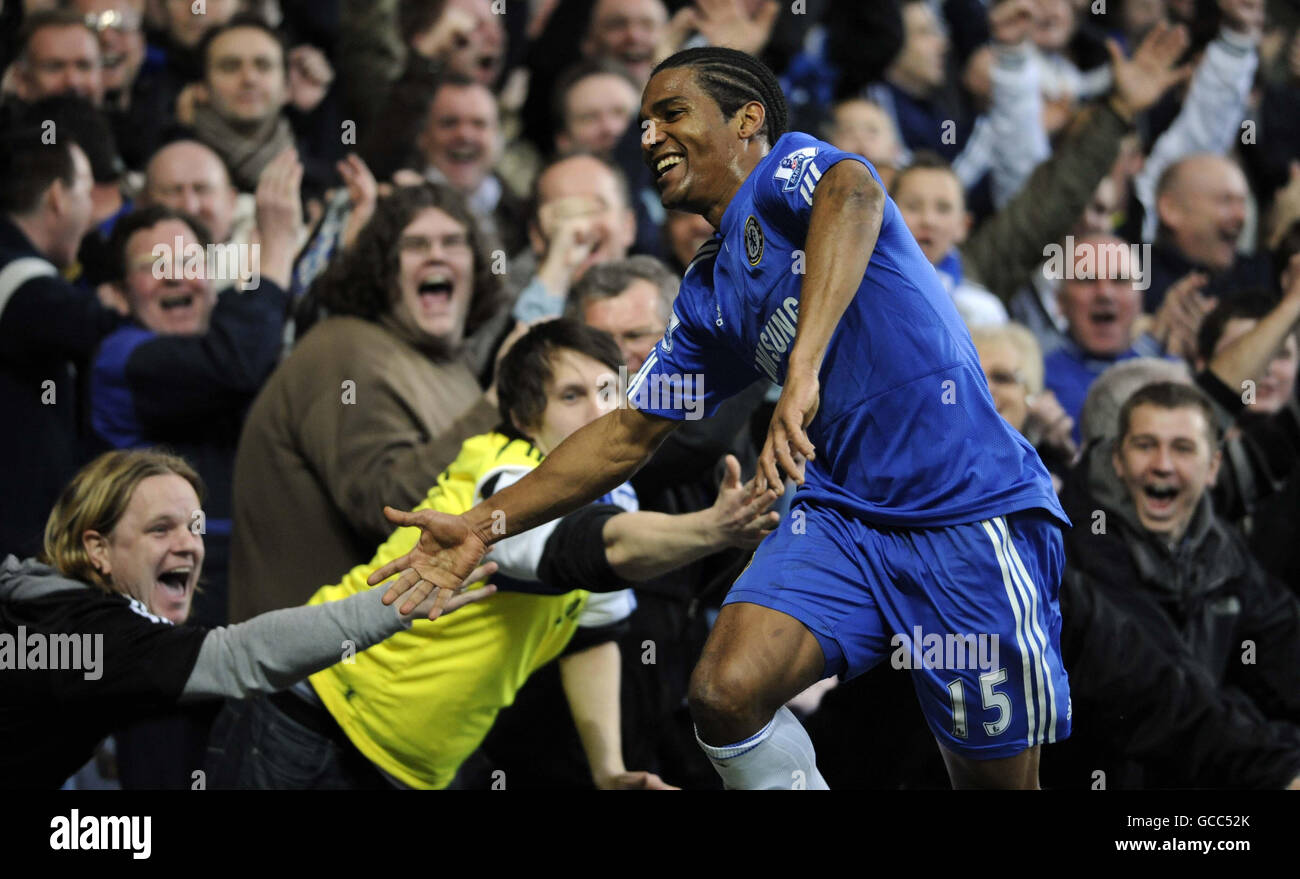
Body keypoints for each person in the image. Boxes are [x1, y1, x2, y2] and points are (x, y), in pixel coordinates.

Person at [371, 47, 1074, 790]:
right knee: (724, 693)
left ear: (748, 122)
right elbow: (624, 436)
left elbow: (855, 194)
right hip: (843, 518)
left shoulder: (793, 173)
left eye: (670, 114)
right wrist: (485, 523)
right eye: (641, 125)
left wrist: (803, 369)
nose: (648, 137)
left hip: (966, 512)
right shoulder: (709, 298)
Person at [210, 319, 775, 789]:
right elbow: (585, 548)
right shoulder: (504, 473)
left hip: (407, 766)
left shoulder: (611, 496)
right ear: (525, 417)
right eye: (570, 396)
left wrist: (608, 770)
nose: (596, 413)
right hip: (312, 720)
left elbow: (591, 633)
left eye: (609, 393)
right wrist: (711, 528)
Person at [0, 448, 494, 789]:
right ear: (98, 549)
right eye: (160, 529)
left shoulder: (45, 603)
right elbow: (239, 655)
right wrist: (396, 600)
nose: (188, 545)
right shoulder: (87, 635)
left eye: (193, 528)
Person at [228, 183, 504, 621]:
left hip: (382, 666)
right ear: (381, 269)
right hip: (309, 671)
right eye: (415, 245)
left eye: (454, 242)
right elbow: (389, 507)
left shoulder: (452, 364)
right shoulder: (345, 351)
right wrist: (496, 404)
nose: (437, 255)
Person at [1048, 382, 1300, 789]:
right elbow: (1166, 692)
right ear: (1117, 459)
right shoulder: (1079, 549)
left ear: (1213, 466)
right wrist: (1282, 770)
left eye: (1182, 448)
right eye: (1145, 445)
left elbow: (1283, 644)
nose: (1162, 465)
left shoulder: (1219, 547)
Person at [0, 128, 119, 559]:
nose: (91, 213)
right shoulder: (16, 276)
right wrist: (121, 303)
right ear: (57, 197)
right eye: (86, 192)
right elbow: (79, 324)